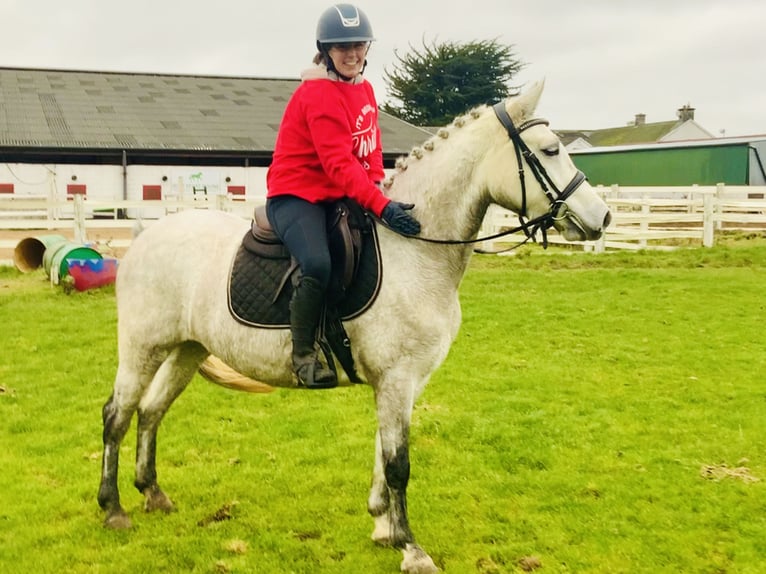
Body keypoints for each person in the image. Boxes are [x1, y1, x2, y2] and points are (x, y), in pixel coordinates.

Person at [266, 3, 421, 389]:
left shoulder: (365, 89)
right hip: (296, 194)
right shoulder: (317, 94)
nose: (353, 54)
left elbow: (369, 148)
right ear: (325, 50)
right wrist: (381, 206)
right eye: (342, 47)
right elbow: (337, 163)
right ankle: (302, 354)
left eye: (359, 45)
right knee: (317, 263)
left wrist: (378, 186)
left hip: (337, 193)